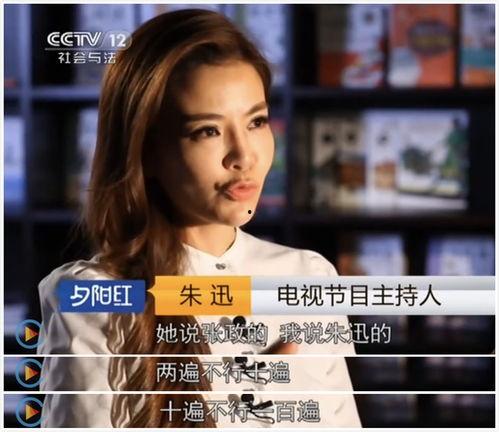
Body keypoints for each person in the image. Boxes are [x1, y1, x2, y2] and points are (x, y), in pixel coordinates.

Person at [37, 9, 361, 428]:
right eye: (208, 130)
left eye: (257, 122)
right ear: (146, 150)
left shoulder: (309, 277)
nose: (244, 156)